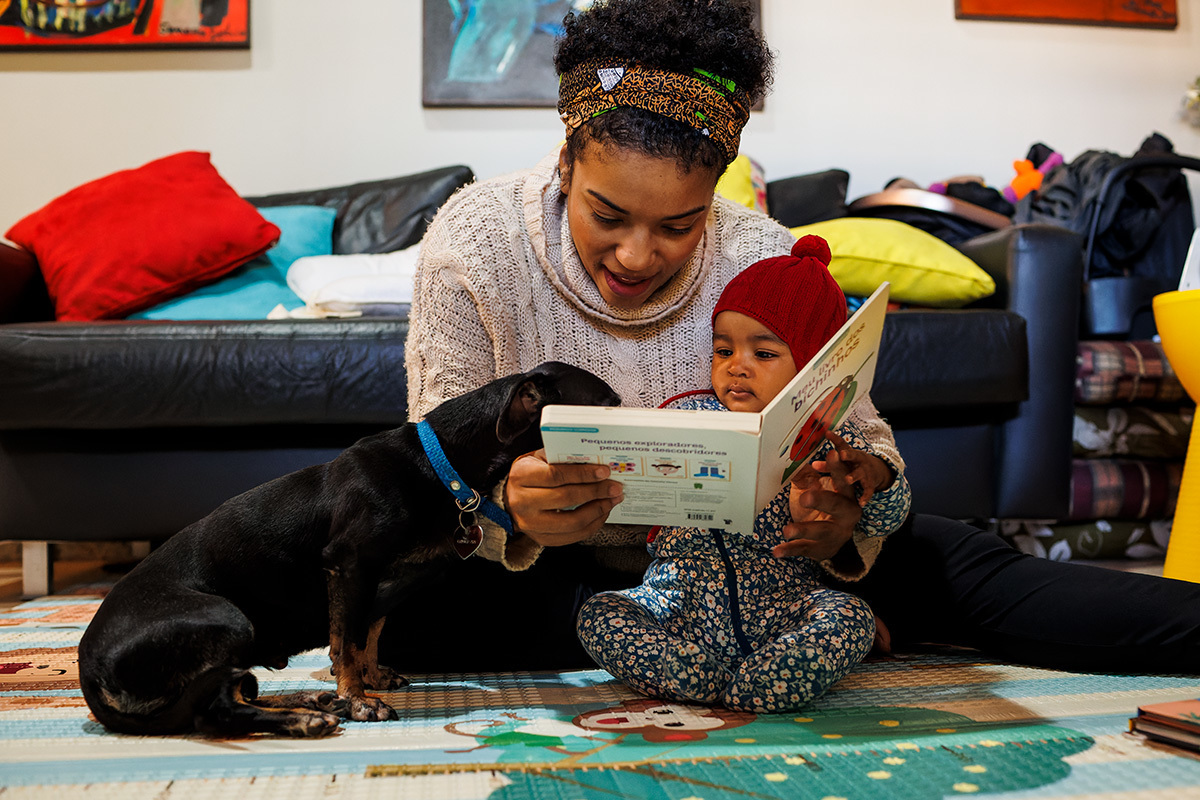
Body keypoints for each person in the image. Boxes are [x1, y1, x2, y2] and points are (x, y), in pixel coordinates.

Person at [392, 0, 1200, 676]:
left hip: (768, 564)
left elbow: (861, 436)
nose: (636, 256)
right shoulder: (476, 238)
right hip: (556, 570)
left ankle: (770, 631)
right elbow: (429, 473)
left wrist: (850, 503)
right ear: (568, 160)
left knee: (980, 570)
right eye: (608, 215)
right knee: (404, 614)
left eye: (678, 225)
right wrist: (504, 507)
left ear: (716, 191)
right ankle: (745, 640)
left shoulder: (763, 252)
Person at [576, 235, 909, 712]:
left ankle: (768, 680)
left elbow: (885, 521)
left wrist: (877, 478)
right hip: (676, 602)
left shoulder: (832, 438)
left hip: (783, 606)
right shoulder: (686, 414)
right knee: (599, 613)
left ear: (813, 366)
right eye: (723, 351)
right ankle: (692, 677)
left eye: (763, 354)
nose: (737, 367)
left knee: (851, 615)